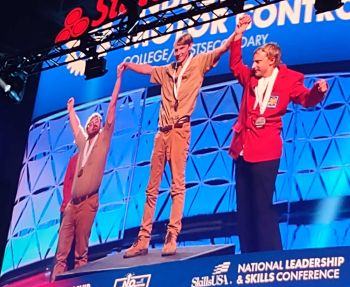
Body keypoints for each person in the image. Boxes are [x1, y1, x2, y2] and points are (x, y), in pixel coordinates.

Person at [122, 29, 237, 258]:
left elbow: (222, 48)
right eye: (175, 50)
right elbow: (149, 70)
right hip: (160, 133)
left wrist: (238, 31)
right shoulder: (167, 71)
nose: (177, 53)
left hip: (180, 130)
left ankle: (172, 235)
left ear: (189, 49)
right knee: (151, 189)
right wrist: (128, 64)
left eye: (181, 49)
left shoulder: (198, 64)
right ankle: (142, 240)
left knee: (177, 185)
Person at [228, 15, 328, 253]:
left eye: (258, 62)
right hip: (243, 148)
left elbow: (305, 99)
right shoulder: (250, 78)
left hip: (266, 150)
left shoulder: (289, 79)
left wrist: (317, 91)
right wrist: (238, 35)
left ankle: (270, 255)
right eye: (253, 61)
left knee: (262, 206)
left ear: (272, 61)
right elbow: (235, 65)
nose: (253, 66)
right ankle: (248, 256)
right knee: (244, 207)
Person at [51, 65, 124, 281]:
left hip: (89, 203)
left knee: (81, 251)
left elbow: (111, 108)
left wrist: (118, 80)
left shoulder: (103, 141)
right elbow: (75, 127)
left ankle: (78, 284)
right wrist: (71, 109)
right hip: (73, 205)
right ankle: (57, 282)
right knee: (61, 252)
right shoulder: (83, 143)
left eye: (98, 121)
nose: (95, 123)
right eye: (91, 121)